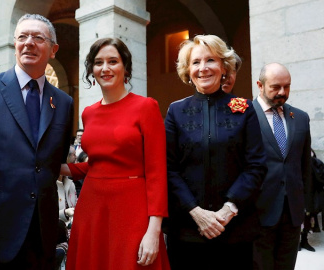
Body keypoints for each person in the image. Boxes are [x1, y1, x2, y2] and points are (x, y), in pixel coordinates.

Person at [0, 13, 74, 270]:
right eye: (22, 37)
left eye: (38, 38)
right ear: (15, 45)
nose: (29, 42)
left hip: (39, 235)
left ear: (53, 49)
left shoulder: (63, 103)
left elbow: (54, 159)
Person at [61, 37, 170, 270]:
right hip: (91, 209)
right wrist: (62, 168)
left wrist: (154, 229)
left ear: (125, 67)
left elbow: (157, 171)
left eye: (113, 61)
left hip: (132, 209)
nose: (105, 68)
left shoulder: (146, 107)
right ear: (92, 69)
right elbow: (98, 165)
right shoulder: (89, 113)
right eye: (98, 62)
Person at [164, 34, 267, 270]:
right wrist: (196, 212)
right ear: (187, 70)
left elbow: (256, 166)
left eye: (210, 60)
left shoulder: (244, 109)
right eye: (196, 62)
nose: (203, 68)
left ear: (223, 66)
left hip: (235, 230)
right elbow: (169, 168)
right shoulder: (176, 111)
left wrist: (228, 210)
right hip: (187, 231)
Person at [252, 63, 312, 270]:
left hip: (292, 213)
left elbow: (304, 166)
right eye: (276, 87)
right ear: (260, 85)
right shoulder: (244, 116)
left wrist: (306, 207)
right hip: (257, 212)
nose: (282, 92)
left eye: (287, 87)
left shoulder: (301, 118)